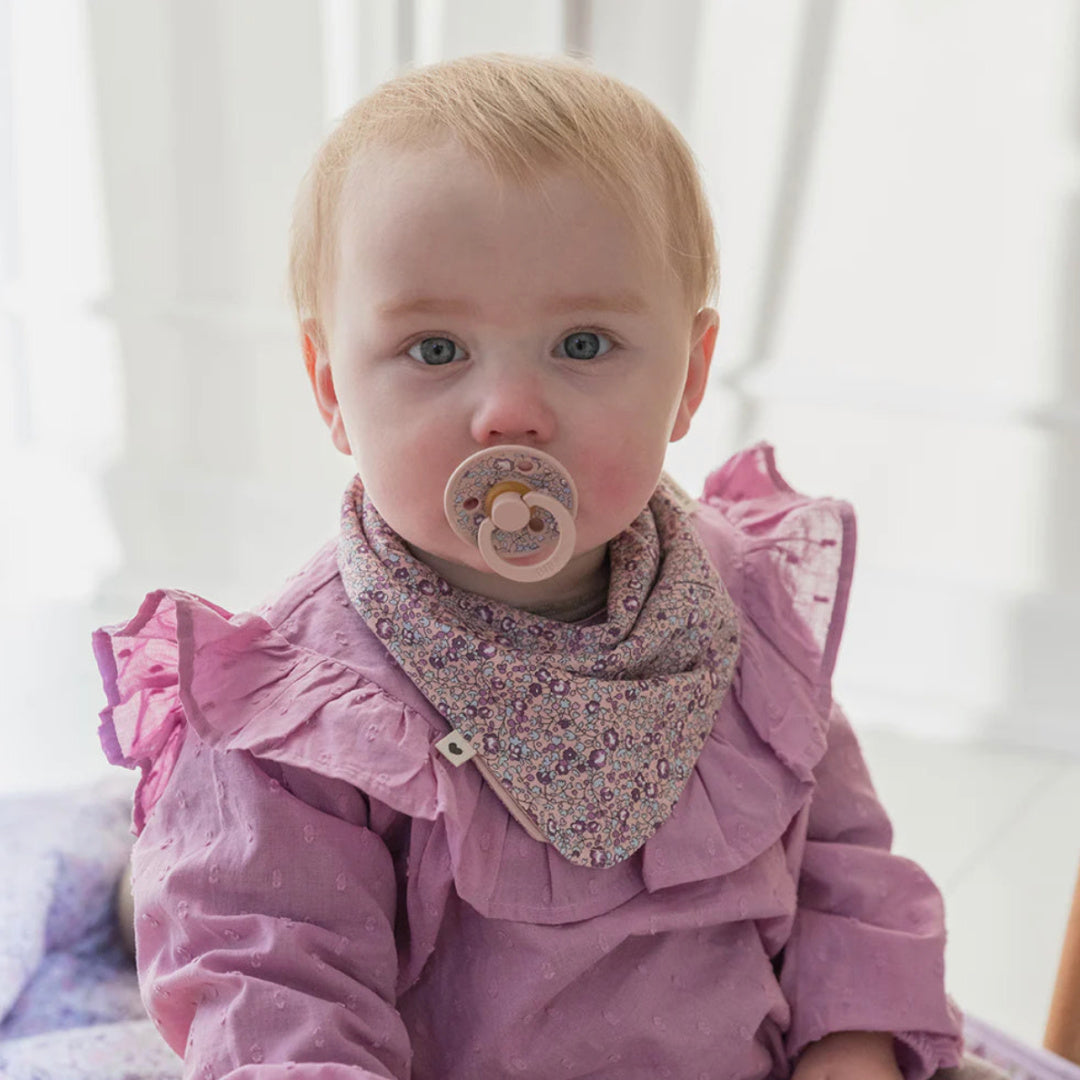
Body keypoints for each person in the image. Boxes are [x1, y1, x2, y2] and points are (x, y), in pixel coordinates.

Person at [94, 52, 970, 1080]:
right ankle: (130, 885)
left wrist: (853, 1050)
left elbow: (844, 866)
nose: (509, 409)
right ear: (332, 388)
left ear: (688, 379)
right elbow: (274, 994)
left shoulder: (742, 609)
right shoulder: (296, 720)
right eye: (434, 350)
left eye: (585, 344)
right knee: (202, 904)